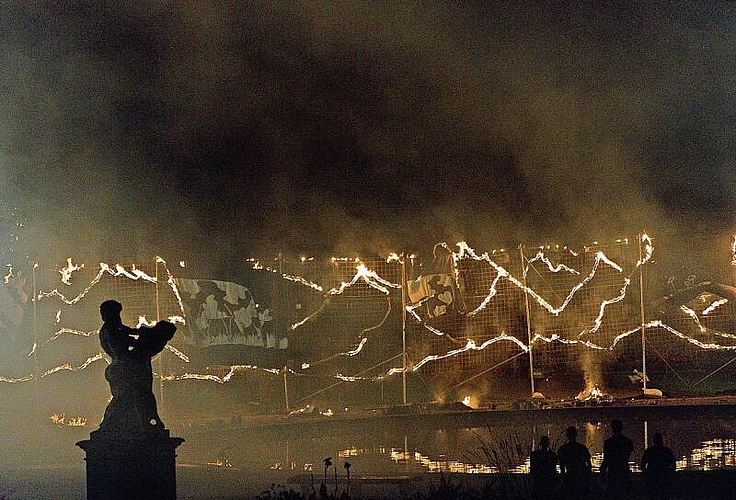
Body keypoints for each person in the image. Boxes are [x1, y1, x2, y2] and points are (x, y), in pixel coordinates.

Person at [97, 299, 176, 436]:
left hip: (120, 367)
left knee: (130, 397)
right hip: (125, 368)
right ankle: (112, 423)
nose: (118, 317)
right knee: (129, 397)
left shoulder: (111, 329)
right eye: (116, 314)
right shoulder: (112, 330)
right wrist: (142, 340)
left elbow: (128, 334)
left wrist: (141, 334)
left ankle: (128, 422)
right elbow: (123, 345)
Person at [600, 419, 634, 499]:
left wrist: (603, 472)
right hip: (624, 472)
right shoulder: (627, 441)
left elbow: (606, 459)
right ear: (622, 428)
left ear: (612, 428)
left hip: (613, 473)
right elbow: (627, 456)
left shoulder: (608, 442)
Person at [557, 426, 591, 500]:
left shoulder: (563, 449)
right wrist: (587, 476)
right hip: (580, 476)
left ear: (567, 436)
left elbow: (562, 466)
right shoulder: (582, 448)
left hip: (570, 475)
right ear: (576, 435)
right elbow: (588, 464)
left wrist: (563, 477)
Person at [640, 433, 676, 500]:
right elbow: (673, 465)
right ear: (662, 440)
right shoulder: (667, 451)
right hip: (664, 479)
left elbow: (642, 465)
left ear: (654, 441)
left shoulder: (649, 451)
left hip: (652, 479)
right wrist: (669, 474)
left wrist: (647, 474)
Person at [530, 435, 558, 500]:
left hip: (538, 482)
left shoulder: (534, 455)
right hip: (548, 482)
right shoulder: (552, 456)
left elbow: (533, 469)